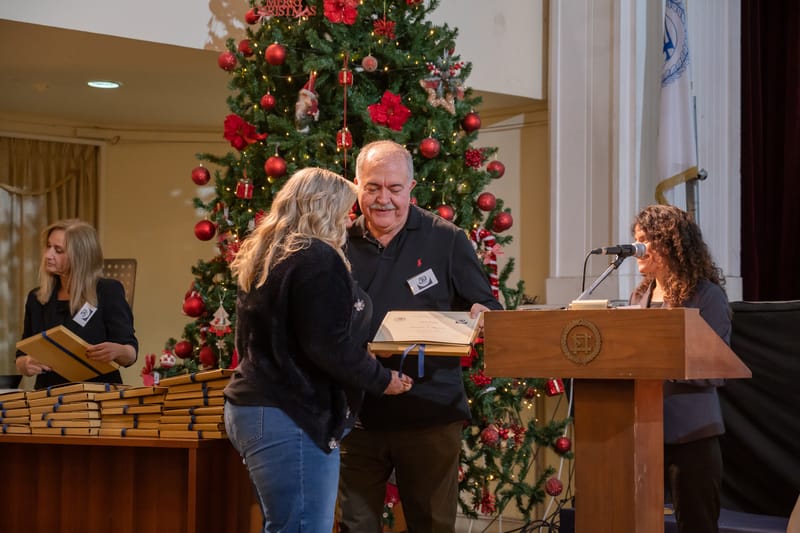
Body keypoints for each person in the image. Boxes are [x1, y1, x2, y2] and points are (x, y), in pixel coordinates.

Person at [223, 167, 413, 533]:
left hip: (255, 408)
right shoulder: (315, 256)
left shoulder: (269, 252)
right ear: (324, 208)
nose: (349, 219)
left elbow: (280, 336)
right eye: (345, 210)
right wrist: (380, 378)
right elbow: (327, 344)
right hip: (291, 413)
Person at [338, 140, 504, 533]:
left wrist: (484, 314)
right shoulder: (338, 242)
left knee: (431, 525)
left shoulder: (445, 239)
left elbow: (488, 304)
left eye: (394, 189)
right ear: (357, 186)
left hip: (430, 412)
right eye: (373, 188)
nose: (383, 200)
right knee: (355, 525)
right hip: (358, 413)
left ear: (412, 189)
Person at [629, 204, 730, 533]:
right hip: (641, 433)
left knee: (696, 525)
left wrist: (658, 364)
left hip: (691, 435)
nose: (636, 248)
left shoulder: (707, 296)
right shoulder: (639, 296)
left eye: (644, 240)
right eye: (635, 239)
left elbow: (715, 367)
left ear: (669, 243)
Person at [16, 219, 137, 389]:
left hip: (98, 397)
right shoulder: (36, 298)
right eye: (48, 246)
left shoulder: (108, 291)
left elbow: (130, 354)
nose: (48, 255)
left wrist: (118, 351)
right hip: (48, 397)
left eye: (58, 250)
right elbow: (22, 352)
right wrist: (25, 364)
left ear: (81, 256)